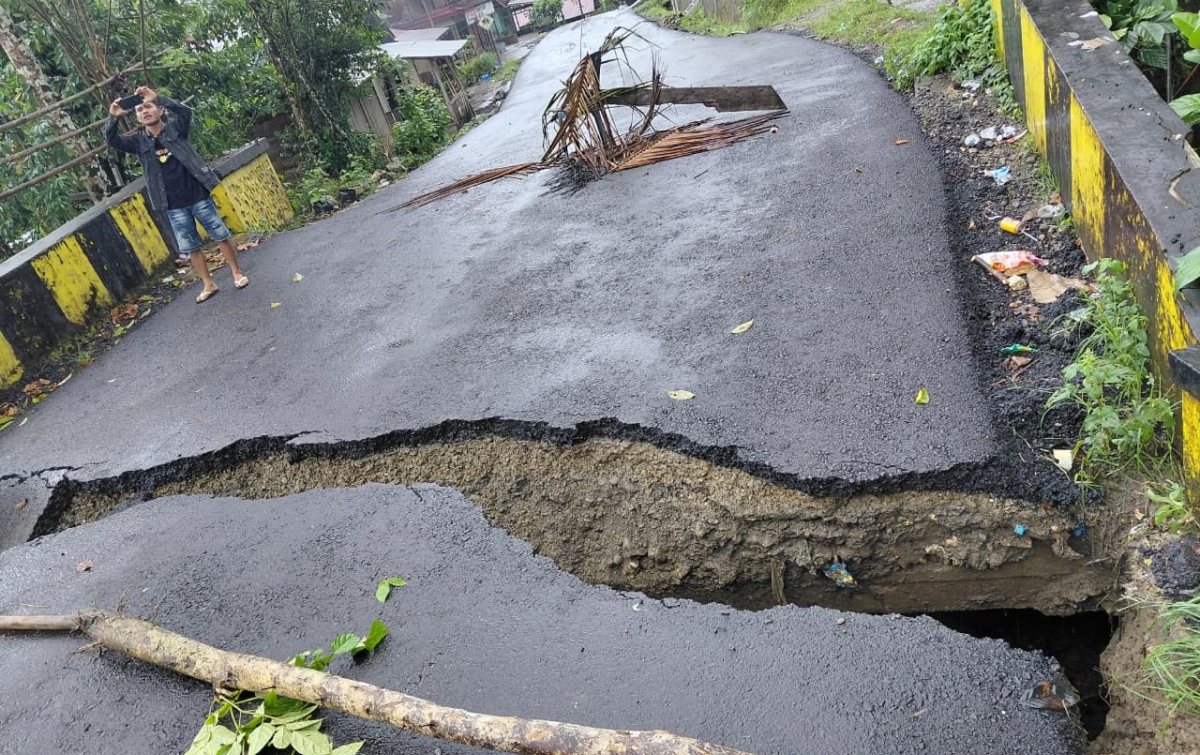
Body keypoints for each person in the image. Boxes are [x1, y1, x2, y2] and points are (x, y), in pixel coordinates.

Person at [104, 86, 247, 303]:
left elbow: (185, 112)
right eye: (140, 109)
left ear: (160, 111)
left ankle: (237, 273)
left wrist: (159, 97)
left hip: (197, 194)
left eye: (149, 106)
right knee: (191, 247)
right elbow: (112, 141)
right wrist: (113, 117)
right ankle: (208, 283)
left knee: (221, 235)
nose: (145, 111)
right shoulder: (138, 142)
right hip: (172, 203)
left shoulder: (175, 129)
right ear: (137, 117)